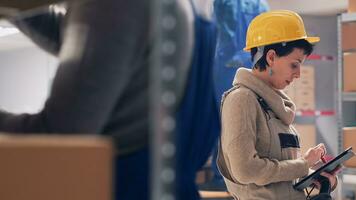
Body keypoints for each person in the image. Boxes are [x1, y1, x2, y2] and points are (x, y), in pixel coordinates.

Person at [0, 0, 195, 199]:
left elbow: (58, 139)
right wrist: (13, 9)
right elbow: (89, 40)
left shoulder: (112, 6)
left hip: (121, 186)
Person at [216, 10, 337, 199]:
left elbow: (278, 177)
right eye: (294, 64)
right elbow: (246, 171)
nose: (298, 74)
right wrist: (302, 164)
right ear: (271, 57)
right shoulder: (242, 99)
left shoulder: (274, 106)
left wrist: (313, 176)